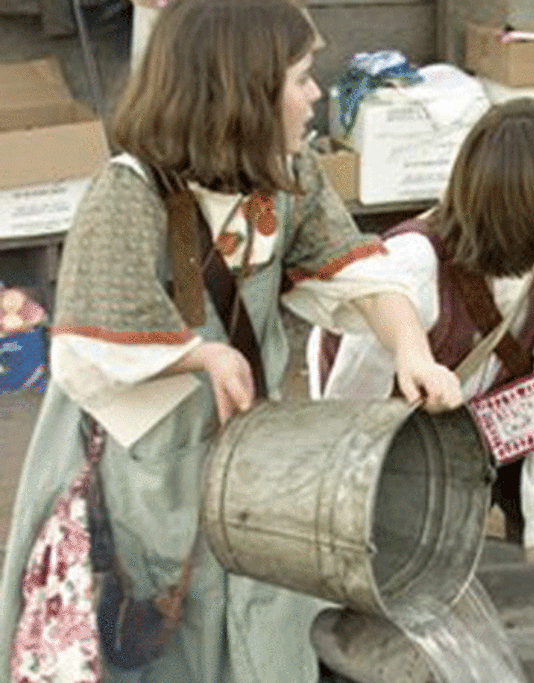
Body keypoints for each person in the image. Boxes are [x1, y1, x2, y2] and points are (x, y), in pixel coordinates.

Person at [0, 0, 462, 681]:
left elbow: (356, 268)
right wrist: (200, 353)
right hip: (149, 459)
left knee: (267, 602)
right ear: (242, 89)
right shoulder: (126, 193)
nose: (314, 94)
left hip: (250, 444)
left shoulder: (289, 174)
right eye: (300, 77)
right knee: (166, 623)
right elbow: (86, 344)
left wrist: (411, 350)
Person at [310, 98, 534, 565]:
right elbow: (349, 414)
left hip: (486, 421)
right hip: (401, 448)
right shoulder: (410, 267)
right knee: (424, 558)